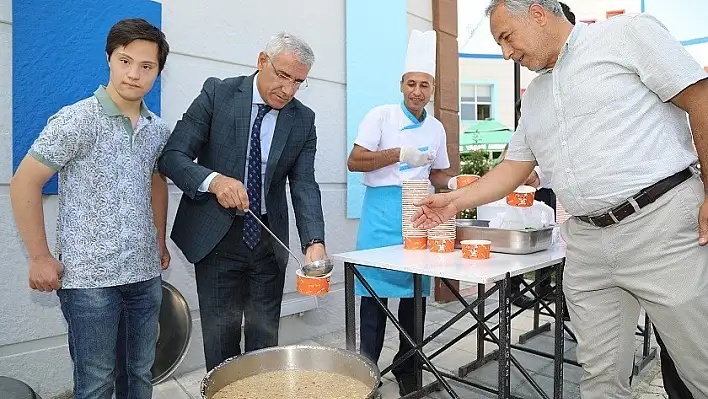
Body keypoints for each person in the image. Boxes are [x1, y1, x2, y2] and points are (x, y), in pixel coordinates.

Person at [412, 1, 708, 398]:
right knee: (599, 379)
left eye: (506, 37)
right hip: (587, 245)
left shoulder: (625, 34)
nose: (506, 53)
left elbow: (701, 99)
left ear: (537, 13)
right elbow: (512, 168)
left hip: (662, 225)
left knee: (699, 365)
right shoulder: (534, 94)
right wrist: (453, 201)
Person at [9, 18, 171, 399]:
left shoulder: (157, 130)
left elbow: (156, 183)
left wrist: (159, 240)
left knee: (140, 375)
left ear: (158, 71)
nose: (134, 74)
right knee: (97, 383)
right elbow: (24, 183)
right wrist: (39, 257)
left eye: (146, 66)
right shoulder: (77, 119)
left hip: (145, 277)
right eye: (125, 60)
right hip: (88, 282)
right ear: (109, 59)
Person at [157, 32, 328, 371]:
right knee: (221, 347)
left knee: (265, 348)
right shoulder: (218, 94)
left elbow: (304, 184)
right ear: (262, 61)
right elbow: (172, 157)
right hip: (217, 240)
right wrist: (214, 181)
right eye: (283, 76)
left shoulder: (303, 120)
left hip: (268, 243)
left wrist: (315, 241)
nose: (289, 90)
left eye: (298, 82)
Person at [346, 29, 452, 396]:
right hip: (380, 214)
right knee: (374, 298)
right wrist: (398, 154)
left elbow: (438, 172)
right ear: (402, 85)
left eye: (425, 85)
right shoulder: (381, 116)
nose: (417, 91)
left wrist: (457, 184)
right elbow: (354, 161)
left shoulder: (436, 128)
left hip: (417, 212)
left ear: (433, 89)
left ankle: (408, 367)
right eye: (411, 83)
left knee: (414, 298)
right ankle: (366, 371)